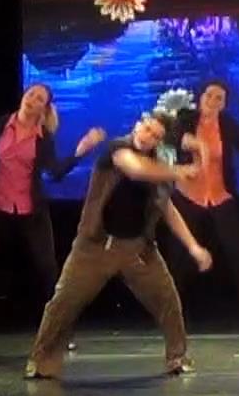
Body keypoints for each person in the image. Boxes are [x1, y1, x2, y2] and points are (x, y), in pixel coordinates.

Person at [25, 111, 214, 380]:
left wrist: (193, 247)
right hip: (95, 247)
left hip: (138, 249)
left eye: (156, 136)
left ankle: (177, 357)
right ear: (139, 124)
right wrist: (180, 170)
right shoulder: (117, 149)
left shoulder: (158, 164)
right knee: (64, 303)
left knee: (167, 300)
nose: (149, 137)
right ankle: (41, 360)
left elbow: (166, 208)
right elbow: (136, 170)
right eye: (148, 129)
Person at [0, 83, 105, 359]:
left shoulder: (43, 138)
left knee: (48, 269)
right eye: (31, 94)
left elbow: (55, 173)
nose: (32, 99)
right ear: (23, 97)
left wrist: (81, 151)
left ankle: (60, 332)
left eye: (39, 99)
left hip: (30, 211)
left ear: (44, 108)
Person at [163, 80, 239, 326]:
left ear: (224, 104)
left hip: (220, 195)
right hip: (188, 195)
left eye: (218, 98)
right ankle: (171, 312)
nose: (212, 101)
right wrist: (196, 144)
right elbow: (174, 137)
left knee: (237, 252)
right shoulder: (186, 118)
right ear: (201, 97)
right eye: (209, 95)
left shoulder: (228, 125)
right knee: (178, 255)